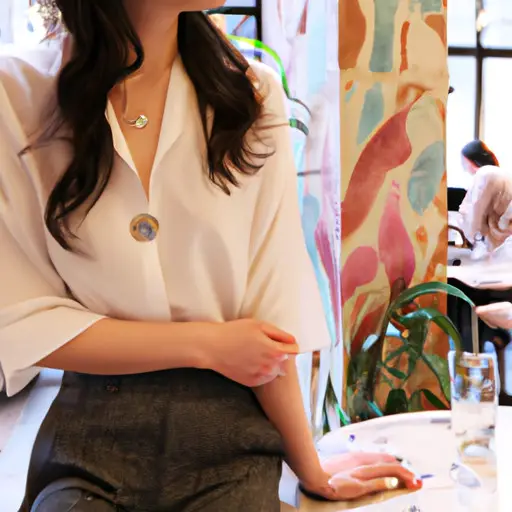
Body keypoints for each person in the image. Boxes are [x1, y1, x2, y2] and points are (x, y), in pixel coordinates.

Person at [0, 2, 419, 511]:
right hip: (90, 440)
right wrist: (206, 344)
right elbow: (20, 319)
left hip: (229, 440)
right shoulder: (16, 95)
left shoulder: (250, 94)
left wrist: (311, 467)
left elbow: (270, 311)